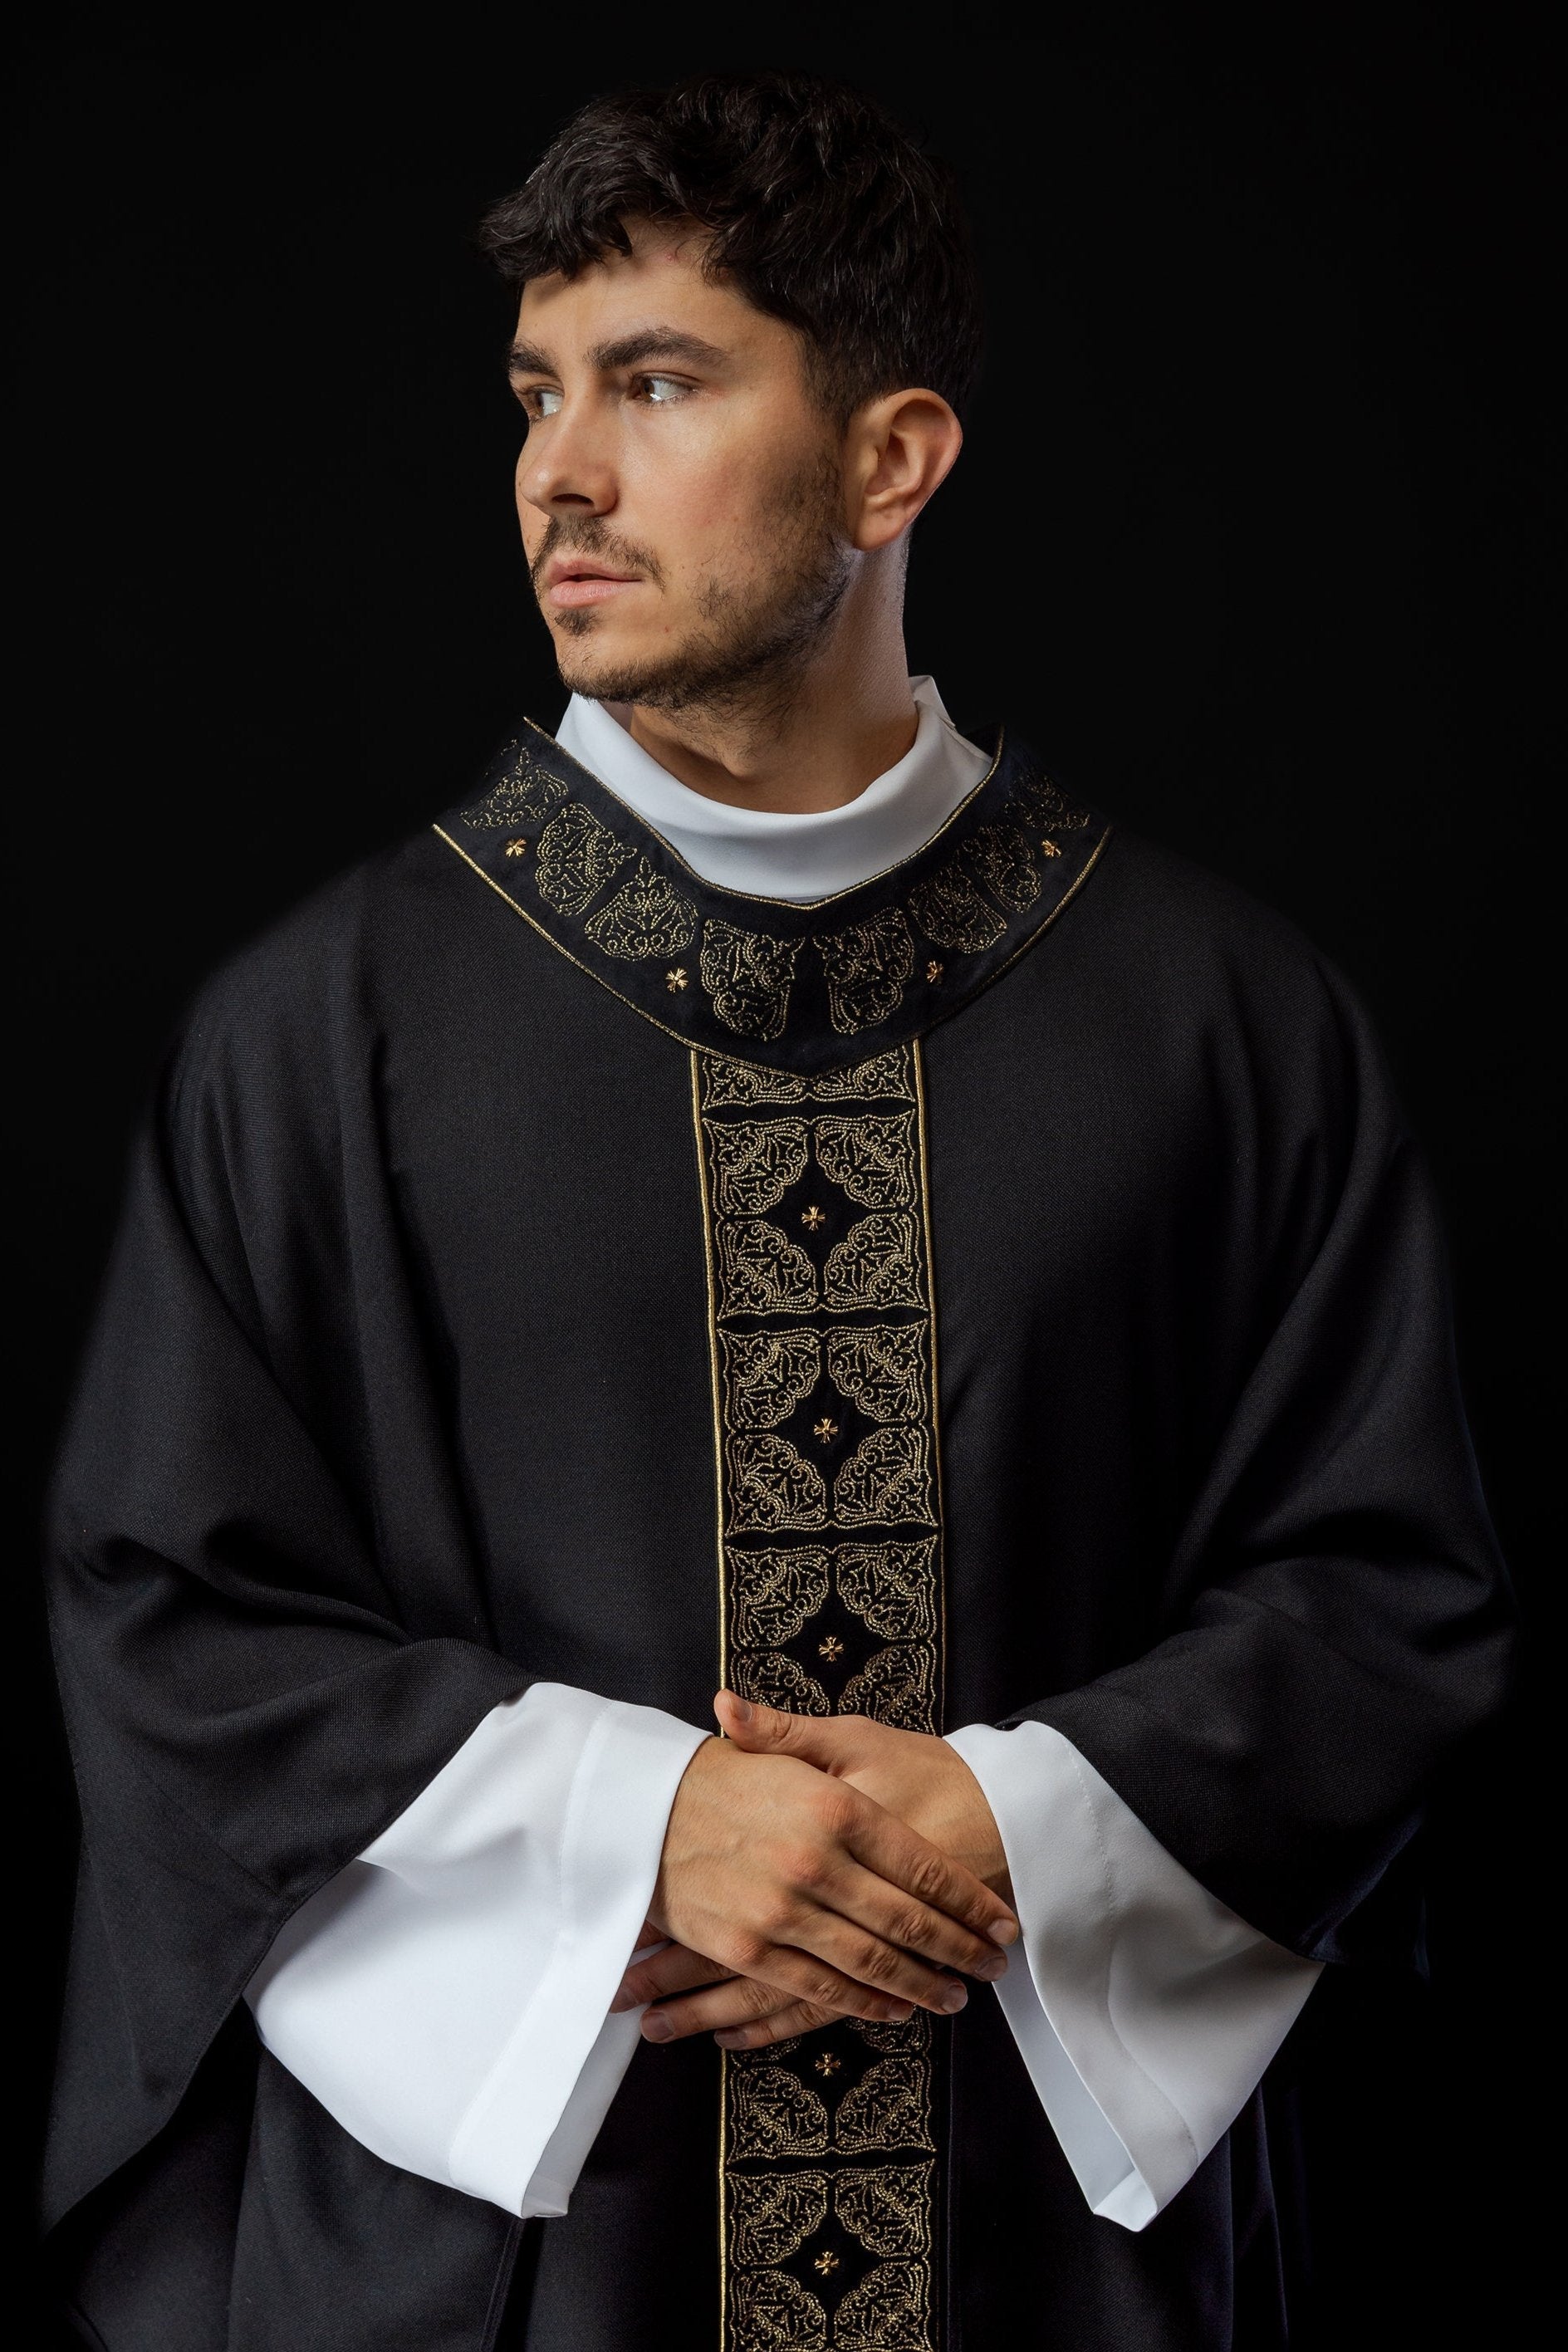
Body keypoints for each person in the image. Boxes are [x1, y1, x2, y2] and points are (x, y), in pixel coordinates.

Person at [43, 68, 1512, 2352]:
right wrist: (638, 1822)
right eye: (538, 393)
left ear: (892, 456)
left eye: (658, 383)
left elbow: (1390, 1593)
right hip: (509, 2266)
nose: (560, 471)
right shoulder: (317, 1037)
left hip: (1049, 2256)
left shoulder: (1227, 1023)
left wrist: (1008, 1827)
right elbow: (175, 1618)